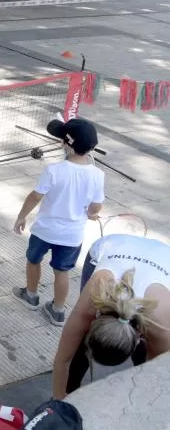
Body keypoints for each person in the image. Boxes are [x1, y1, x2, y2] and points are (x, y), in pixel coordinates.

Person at [51, 233, 170, 399]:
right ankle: (71, 389)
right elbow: (62, 360)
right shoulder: (91, 301)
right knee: (77, 341)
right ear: (93, 324)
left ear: (137, 339)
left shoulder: (161, 326)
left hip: (164, 257)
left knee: (148, 365)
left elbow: (157, 376)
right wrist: (58, 402)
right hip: (112, 245)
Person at [13, 117, 105, 327]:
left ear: (66, 144)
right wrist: (90, 213)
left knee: (33, 260)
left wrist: (21, 216)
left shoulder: (54, 170)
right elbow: (96, 207)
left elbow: (36, 196)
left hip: (45, 230)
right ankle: (57, 310)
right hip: (72, 235)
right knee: (62, 271)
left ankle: (31, 295)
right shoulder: (98, 175)